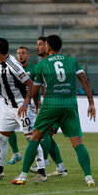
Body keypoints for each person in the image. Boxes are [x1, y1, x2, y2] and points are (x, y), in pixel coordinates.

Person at [12, 35, 96, 186]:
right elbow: (84, 80)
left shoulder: (42, 65)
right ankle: (89, 177)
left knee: (35, 137)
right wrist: (91, 103)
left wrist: (35, 104)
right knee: (78, 143)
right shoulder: (72, 61)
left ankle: (23, 175)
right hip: (70, 106)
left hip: (50, 105)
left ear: (48, 47)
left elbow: (35, 90)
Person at [0, 38, 46, 182]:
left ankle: (42, 173)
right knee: (1, 137)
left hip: (21, 105)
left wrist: (25, 104)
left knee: (31, 138)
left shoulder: (14, 65)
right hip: (7, 107)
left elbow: (30, 84)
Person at [30, 36, 68, 177]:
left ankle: (43, 161)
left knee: (43, 133)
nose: (37, 47)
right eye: (37, 44)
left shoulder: (48, 64)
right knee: (48, 136)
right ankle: (60, 168)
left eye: (40, 44)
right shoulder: (45, 64)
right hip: (51, 104)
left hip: (56, 105)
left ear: (48, 46)